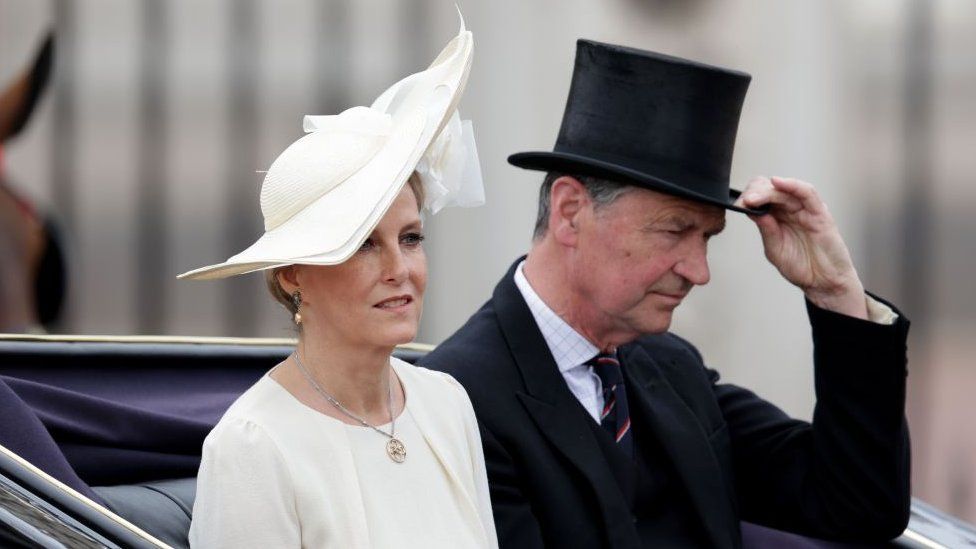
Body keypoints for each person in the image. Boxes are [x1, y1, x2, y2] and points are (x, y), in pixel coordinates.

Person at [419, 40, 911, 548]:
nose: (699, 272)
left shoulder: (670, 367)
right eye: (674, 231)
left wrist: (834, 293)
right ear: (570, 212)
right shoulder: (454, 402)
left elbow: (859, 505)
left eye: (708, 238)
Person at [181, 21, 497, 549]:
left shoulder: (446, 403)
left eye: (412, 237)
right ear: (292, 274)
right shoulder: (252, 446)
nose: (401, 267)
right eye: (365, 244)